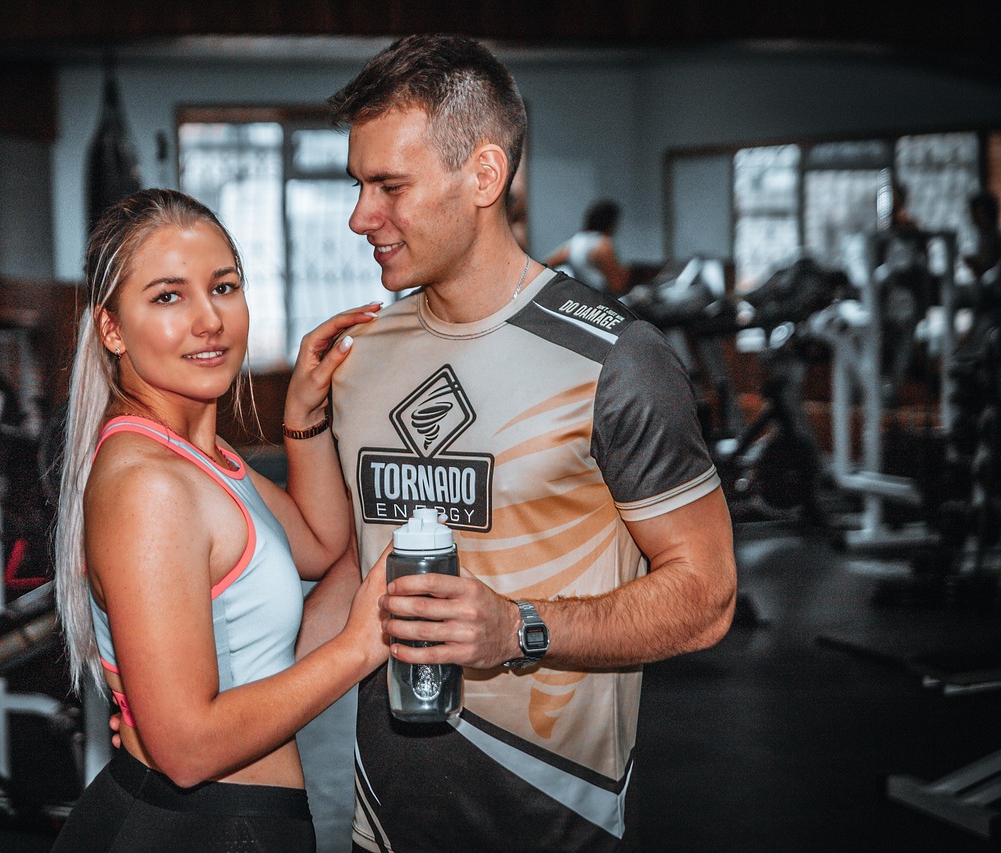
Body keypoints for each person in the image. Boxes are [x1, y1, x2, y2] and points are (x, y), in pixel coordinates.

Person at [307, 33, 737, 851]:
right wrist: (228, 712)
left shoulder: (618, 359)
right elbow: (352, 563)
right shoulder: (362, 355)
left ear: (484, 175)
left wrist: (518, 630)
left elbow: (708, 595)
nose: (362, 216)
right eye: (359, 185)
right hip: (384, 822)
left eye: (389, 185)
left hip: (558, 820)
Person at [51, 188, 389, 852]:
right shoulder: (151, 483)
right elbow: (186, 748)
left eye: (224, 286)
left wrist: (303, 415)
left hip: (233, 822)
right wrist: (359, 647)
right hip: (194, 827)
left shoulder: (203, 459)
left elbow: (323, 547)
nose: (209, 319)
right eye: (169, 296)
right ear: (111, 329)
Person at [543, 198, 630, 296]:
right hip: (600, 299)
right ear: (611, 223)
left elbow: (545, 266)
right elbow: (617, 285)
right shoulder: (603, 245)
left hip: (580, 298)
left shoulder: (574, 242)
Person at [965, 189, 1000, 281]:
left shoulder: (995, 237)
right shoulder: (984, 236)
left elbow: (989, 264)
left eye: (976, 213)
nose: (972, 218)